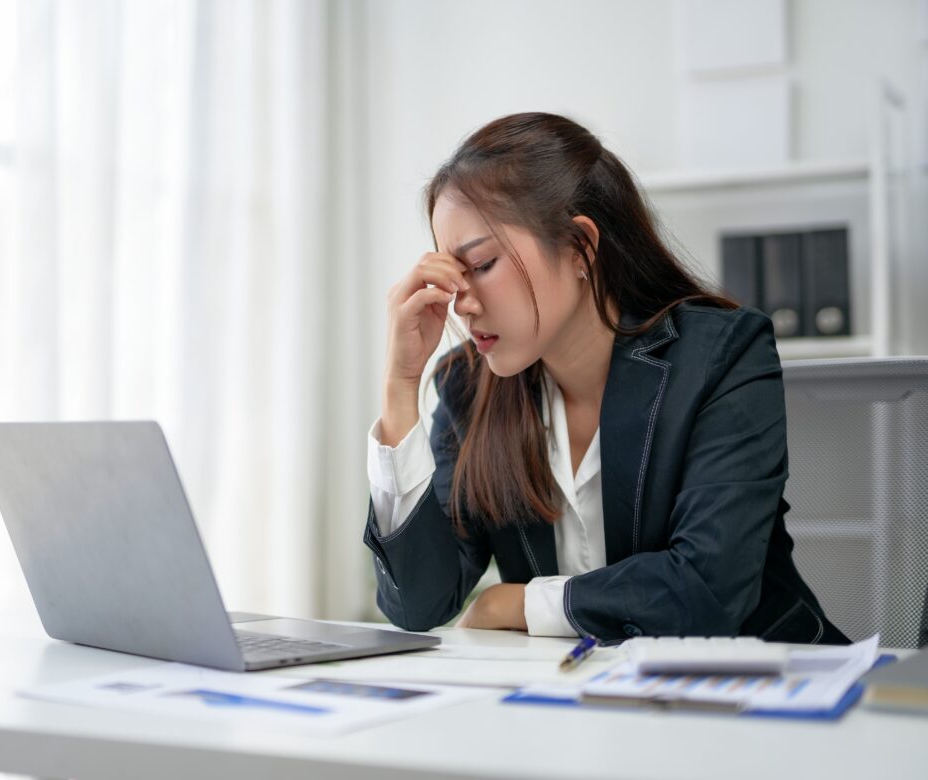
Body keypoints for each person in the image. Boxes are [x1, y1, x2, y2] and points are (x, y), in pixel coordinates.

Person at [363, 112, 848, 644]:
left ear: (579, 248)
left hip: (764, 695)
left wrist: (527, 601)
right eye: (452, 275)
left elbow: (707, 589)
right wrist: (399, 388)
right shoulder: (468, 387)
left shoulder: (721, 356)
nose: (464, 303)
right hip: (584, 701)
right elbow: (419, 603)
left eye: (480, 265)